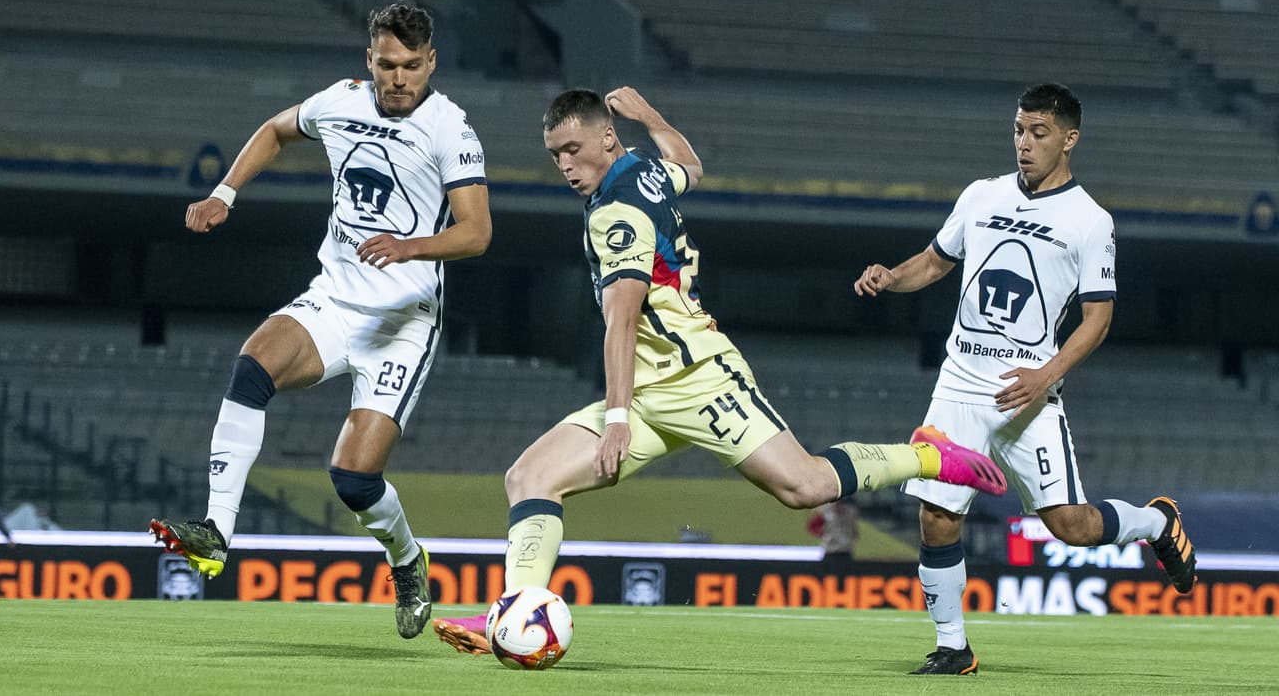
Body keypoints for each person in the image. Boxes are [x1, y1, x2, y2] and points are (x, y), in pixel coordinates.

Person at [431, 87, 1007, 655]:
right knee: (529, 478)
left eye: (574, 148)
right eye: (555, 154)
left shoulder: (617, 213)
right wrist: (652, 116)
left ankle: (931, 454)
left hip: (699, 378)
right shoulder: (644, 171)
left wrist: (614, 419)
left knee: (803, 486)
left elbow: (622, 320)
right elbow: (690, 165)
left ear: (606, 137)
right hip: (648, 387)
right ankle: (514, 611)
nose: (565, 165)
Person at [150, 0, 491, 639]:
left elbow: (477, 233)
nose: (398, 79)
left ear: (431, 63)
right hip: (334, 300)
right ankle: (216, 531)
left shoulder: (451, 129)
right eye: (388, 65)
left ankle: (408, 559)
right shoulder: (340, 100)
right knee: (252, 365)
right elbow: (277, 129)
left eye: (412, 67)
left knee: (353, 479)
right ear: (370, 60)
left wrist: (409, 246)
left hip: (402, 320)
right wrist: (225, 193)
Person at [853, 83, 1196, 676]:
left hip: (1027, 393)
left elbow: (1099, 319)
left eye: (1039, 133)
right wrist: (891, 276)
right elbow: (935, 261)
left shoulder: (1090, 221)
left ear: (1070, 139)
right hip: (960, 382)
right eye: (1018, 130)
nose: (1024, 144)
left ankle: (1156, 522)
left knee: (1072, 527)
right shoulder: (981, 195)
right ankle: (953, 647)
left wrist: (1046, 376)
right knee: (937, 515)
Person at [807, 494, 860, 565]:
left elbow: (854, 528)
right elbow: (812, 526)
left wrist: (853, 534)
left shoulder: (850, 513)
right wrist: (823, 534)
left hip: (845, 549)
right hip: (831, 549)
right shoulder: (825, 513)